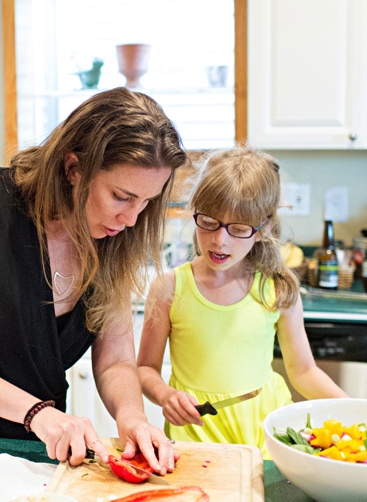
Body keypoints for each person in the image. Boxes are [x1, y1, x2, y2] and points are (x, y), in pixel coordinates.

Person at [0, 87, 188, 473]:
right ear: (73, 168)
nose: (132, 219)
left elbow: (115, 360)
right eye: (121, 196)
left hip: (34, 449)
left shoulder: (115, 237)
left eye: (146, 202)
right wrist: (37, 413)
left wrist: (132, 418)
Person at [137, 146, 347, 456]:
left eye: (238, 229)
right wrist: (166, 395)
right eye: (208, 222)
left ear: (264, 231)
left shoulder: (277, 289)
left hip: (267, 436)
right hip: (197, 437)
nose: (220, 240)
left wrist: (353, 409)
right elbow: (145, 368)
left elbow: (303, 372)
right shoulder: (169, 289)